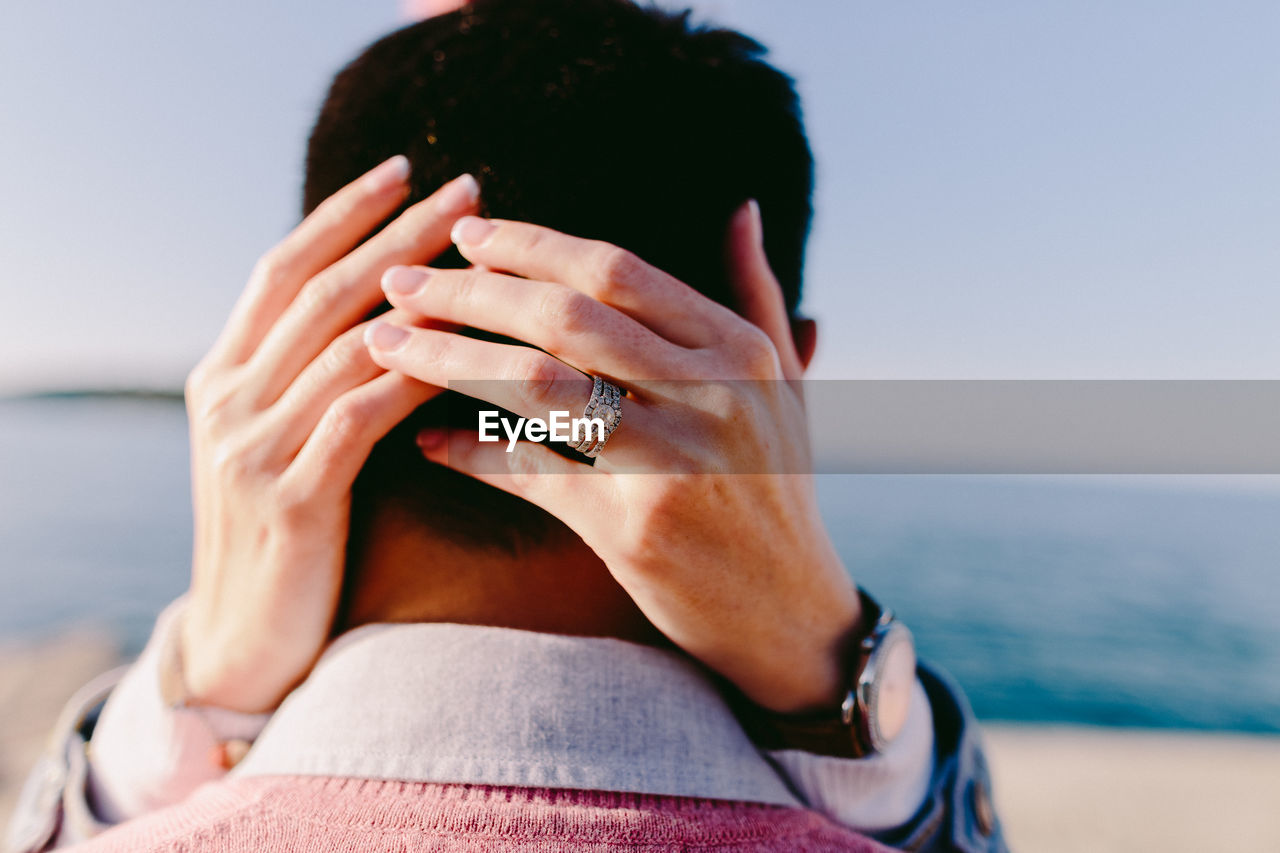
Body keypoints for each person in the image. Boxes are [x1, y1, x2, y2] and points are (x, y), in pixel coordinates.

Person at [5, 1, 1004, 851]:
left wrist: (205, 683)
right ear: (778, 370)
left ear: (292, 344)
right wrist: (834, 678)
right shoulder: (897, 787)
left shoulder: (133, 804)